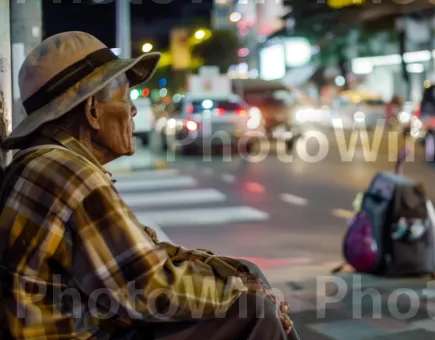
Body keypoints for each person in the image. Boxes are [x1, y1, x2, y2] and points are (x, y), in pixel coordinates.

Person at [0, 32, 297, 339]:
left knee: (246, 284)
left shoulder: (46, 164)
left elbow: (142, 252)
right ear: (92, 110)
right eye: (124, 98)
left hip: (92, 323)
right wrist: (245, 292)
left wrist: (235, 274)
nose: (133, 111)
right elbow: (148, 285)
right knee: (254, 312)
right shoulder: (69, 173)